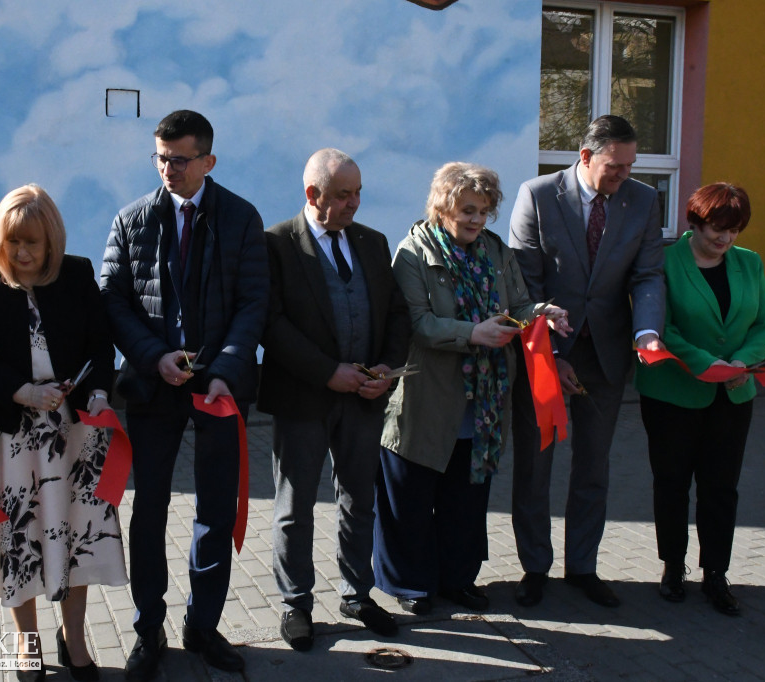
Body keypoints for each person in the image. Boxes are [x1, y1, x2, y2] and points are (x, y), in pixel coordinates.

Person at [100, 110, 268, 680]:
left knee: (215, 509)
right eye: (160, 157)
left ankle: (203, 627)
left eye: (179, 159)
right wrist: (154, 356)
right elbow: (113, 299)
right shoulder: (132, 219)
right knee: (149, 508)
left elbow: (253, 302)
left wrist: (226, 369)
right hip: (154, 383)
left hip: (218, 386)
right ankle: (148, 629)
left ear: (208, 161)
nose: (167, 168)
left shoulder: (241, 218)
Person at [374, 163, 570, 617]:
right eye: (467, 210)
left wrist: (542, 312)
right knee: (412, 500)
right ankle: (409, 583)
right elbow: (417, 324)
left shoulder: (496, 251)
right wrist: (473, 333)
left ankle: (458, 579)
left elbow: (519, 305)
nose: (477, 220)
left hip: (483, 402)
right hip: (426, 399)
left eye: (484, 211)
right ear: (443, 207)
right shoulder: (412, 252)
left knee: (465, 500)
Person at [0, 185, 127, 681]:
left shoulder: (76, 273)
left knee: (75, 538)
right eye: (13, 242)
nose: (23, 253)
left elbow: (101, 343)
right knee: (18, 541)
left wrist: (99, 392)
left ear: (52, 240)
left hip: (73, 434)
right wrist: (22, 391)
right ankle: (27, 644)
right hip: (8, 436)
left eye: (32, 242)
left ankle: (75, 640)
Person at [509, 114, 666, 608]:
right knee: (535, 465)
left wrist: (647, 332)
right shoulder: (537, 195)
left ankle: (583, 566)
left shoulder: (643, 200)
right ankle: (535, 567)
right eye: (615, 166)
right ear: (585, 156)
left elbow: (648, 274)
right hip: (544, 352)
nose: (624, 174)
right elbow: (524, 284)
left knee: (593, 465)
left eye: (630, 165)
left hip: (607, 354)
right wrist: (552, 356)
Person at [258, 148, 410, 651]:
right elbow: (270, 324)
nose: (355, 203)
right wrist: (327, 372)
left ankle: (356, 594)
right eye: (344, 195)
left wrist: (387, 367)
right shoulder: (277, 244)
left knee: (359, 500)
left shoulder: (372, 241)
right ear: (312, 194)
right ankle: (296, 603)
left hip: (364, 398)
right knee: (295, 505)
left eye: (358, 192)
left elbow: (396, 314)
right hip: (302, 399)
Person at [635, 183, 765, 616]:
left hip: (733, 392)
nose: (725, 238)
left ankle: (715, 572)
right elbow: (663, 325)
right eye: (717, 228)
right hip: (673, 393)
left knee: (721, 487)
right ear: (695, 221)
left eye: (734, 231)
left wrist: (742, 361)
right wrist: (705, 362)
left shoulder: (749, 262)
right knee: (672, 483)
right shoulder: (663, 261)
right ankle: (672, 566)